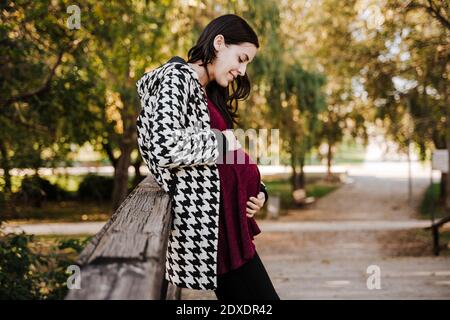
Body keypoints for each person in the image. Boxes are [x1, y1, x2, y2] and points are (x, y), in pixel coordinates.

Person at [136, 14, 279, 300]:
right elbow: (165, 146)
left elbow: (230, 157)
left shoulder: (206, 90)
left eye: (247, 62)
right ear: (219, 43)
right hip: (214, 232)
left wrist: (258, 190)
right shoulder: (176, 79)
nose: (242, 70)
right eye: (241, 58)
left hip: (229, 227)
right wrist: (224, 143)